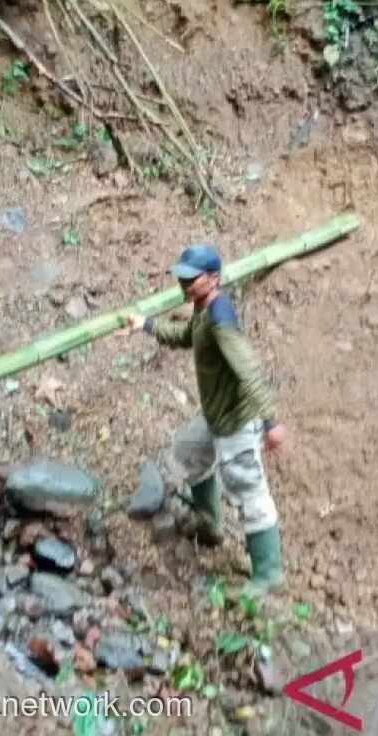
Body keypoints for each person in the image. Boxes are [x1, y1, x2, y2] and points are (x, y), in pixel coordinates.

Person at [122, 244, 288, 594]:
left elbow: (249, 368)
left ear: (213, 279)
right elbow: (186, 337)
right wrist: (146, 325)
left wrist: (271, 422)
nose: (183, 285)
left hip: (236, 420)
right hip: (213, 417)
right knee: (187, 453)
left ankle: (268, 575)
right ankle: (209, 523)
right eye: (181, 278)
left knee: (249, 492)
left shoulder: (220, 318)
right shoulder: (200, 310)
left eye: (191, 279)